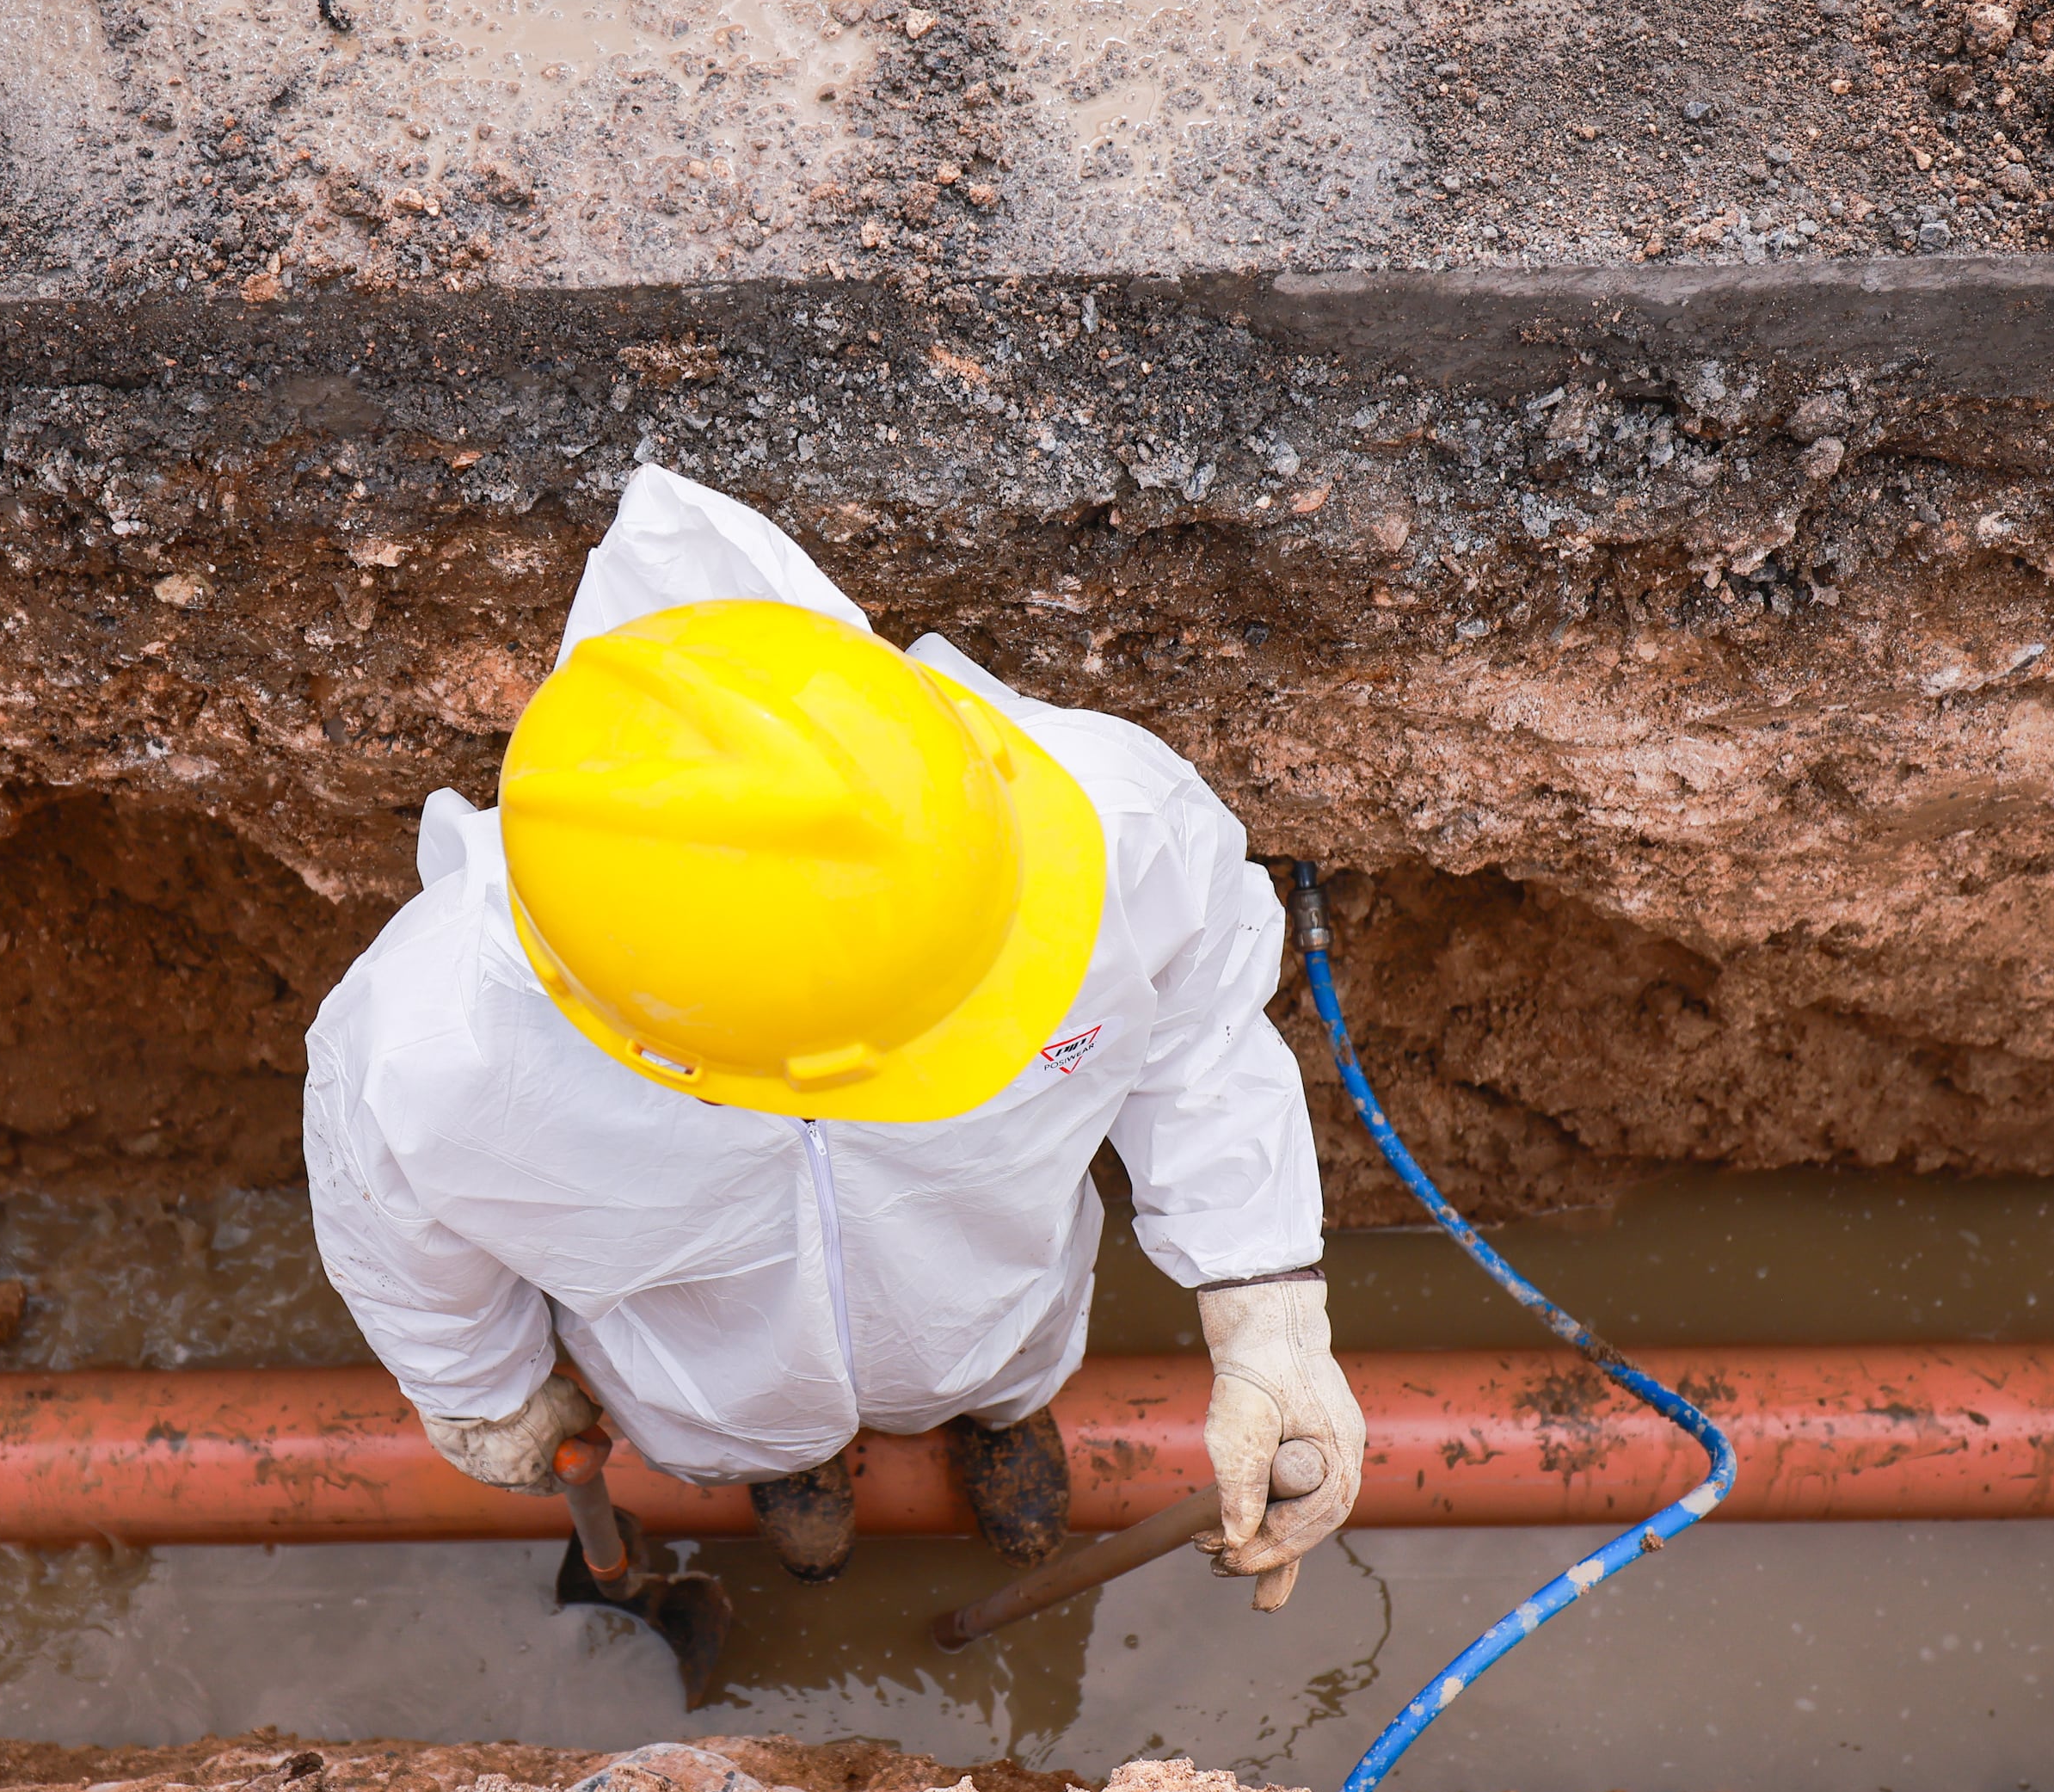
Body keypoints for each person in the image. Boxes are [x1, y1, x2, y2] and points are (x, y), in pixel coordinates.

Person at [303, 466, 1362, 1603]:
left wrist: (1267, 1309)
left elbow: (1202, 1037)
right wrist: (484, 1392)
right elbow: (399, 1236)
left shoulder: (1110, 836)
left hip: (994, 1301)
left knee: (1004, 1357)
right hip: (720, 1384)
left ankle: (1001, 1417)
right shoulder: (433, 1048)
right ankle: (787, 1465)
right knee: (753, 1418)